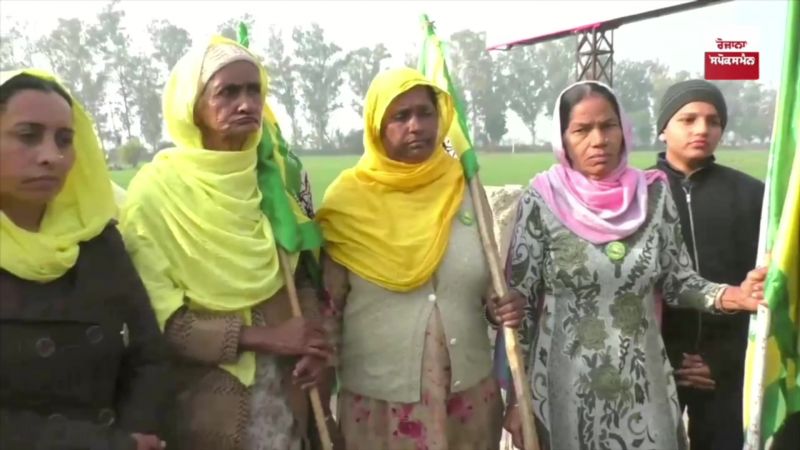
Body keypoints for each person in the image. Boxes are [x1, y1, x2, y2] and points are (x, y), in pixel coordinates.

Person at [500, 80, 766, 450]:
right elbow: (520, 308)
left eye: (608, 126)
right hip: (564, 389)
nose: (598, 140)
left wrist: (736, 296)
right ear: (563, 138)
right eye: (582, 129)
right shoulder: (541, 200)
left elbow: (678, 281)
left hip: (643, 384)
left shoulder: (653, 195)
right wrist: (517, 399)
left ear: (623, 129)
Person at [120, 37, 334, 450]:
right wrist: (270, 338)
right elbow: (162, 324)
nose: (246, 103)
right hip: (204, 408)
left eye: (254, 90)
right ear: (192, 106)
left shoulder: (269, 180)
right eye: (228, 92)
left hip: (287, 401)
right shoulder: (156, 193)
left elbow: (300, 277)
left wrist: (309, 344)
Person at [316, 67, 525, 450]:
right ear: (376, 126)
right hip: (381, 409)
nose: (416, 126)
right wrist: (321, 408)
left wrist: (499, 307)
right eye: (400, 116)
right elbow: (328, 314)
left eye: (425, 113)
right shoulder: (347, 202)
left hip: (469, 401)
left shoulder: (466, 190)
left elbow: (484, 288)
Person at [0, 69, 170, 450]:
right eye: (28, 136)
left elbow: (148, 355)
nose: (51, 156)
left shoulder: (96, 239)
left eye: (64, 140)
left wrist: (136, 435)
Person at [654, 79, 764, 450]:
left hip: (727, 370)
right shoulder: (638, 195)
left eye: (713, 121)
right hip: (654, 370)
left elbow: (765, 287)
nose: (702, 129)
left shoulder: (752, 195)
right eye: (688, 119)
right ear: (663, 127)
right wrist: (668, 362)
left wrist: (721, 360)